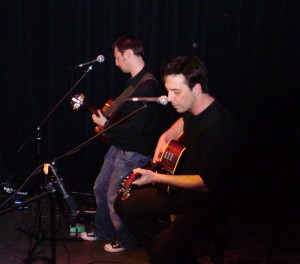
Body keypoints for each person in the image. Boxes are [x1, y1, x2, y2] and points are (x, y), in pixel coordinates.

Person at [114, 56, 241, 263]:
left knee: (160, 248)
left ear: (197, 88)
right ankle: (179, 253)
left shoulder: (219, 127)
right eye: (168, 91)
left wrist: (155, 177)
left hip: (210, 204)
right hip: (185, 193)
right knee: (124, 203)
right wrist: (164, 137)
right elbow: (183, 122)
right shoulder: (193, 108)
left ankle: (168, 248)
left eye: (176, 92)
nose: (170, 98)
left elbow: (204, 183)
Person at [80, 36, 169, 253]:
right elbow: (123, 118)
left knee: (115, 197)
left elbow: (138, 130)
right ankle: (103, 231)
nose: (116, 63)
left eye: (118, 58)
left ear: (128, 54)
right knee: (100, 188)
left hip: (133, 152)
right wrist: (106, 122)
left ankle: (127, 240)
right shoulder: (133, 83)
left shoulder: (148, 86)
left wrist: (106, 125)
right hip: (120, 146)